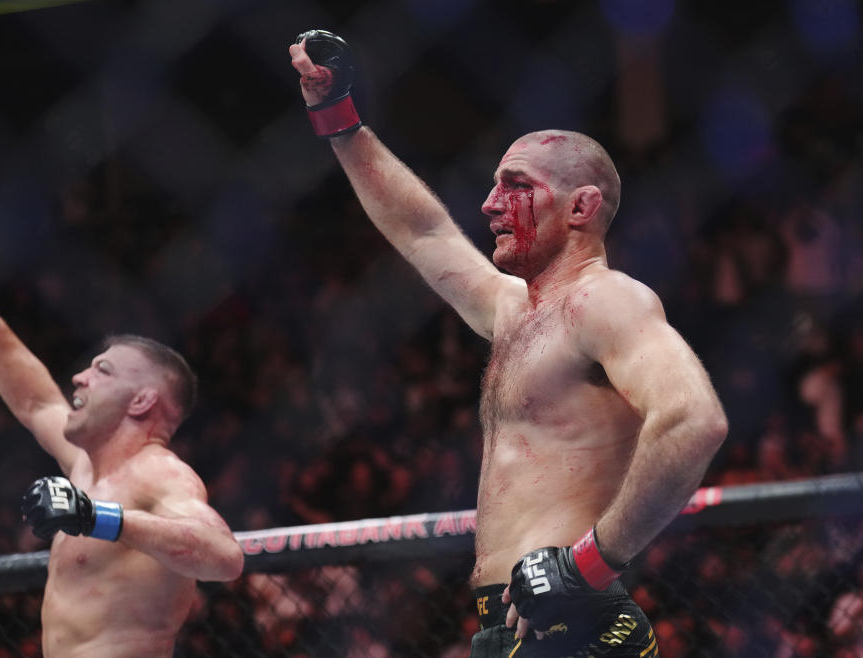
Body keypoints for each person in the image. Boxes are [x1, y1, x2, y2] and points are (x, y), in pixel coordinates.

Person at [289, 30, 728, 657]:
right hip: (516, 619)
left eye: (515, 185)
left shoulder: (606, 300)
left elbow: (694, 420)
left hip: (574, 619)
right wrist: (339, 118)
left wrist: (589, 566)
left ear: (581, 207)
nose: (491, 204)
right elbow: (422, 232)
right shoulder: (514, 308)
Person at [0, 242, 244, 657]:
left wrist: (96, 517)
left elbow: (225, 558)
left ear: (141, 402)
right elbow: (35, 401)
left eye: (102, 371)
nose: (79, 377)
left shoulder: (159, 473)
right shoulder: (85, 467)